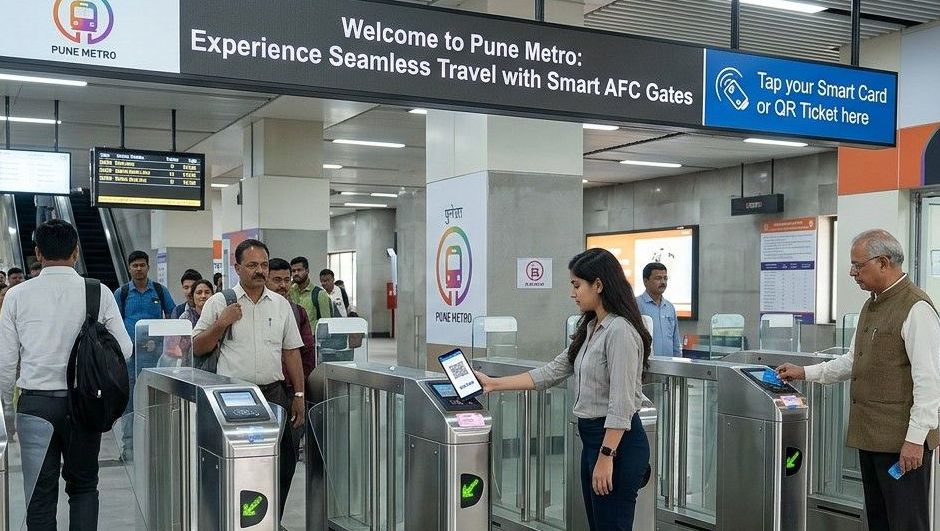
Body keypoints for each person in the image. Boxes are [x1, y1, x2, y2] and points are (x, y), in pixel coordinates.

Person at [475, 248, 652, 531]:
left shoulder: (619, 331)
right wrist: (493, 383)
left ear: (598, 284)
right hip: (594, 440)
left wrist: (606, 456)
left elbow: (621, 402)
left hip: (617, 444)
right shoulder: (592, 327)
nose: (573, 293)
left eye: (576, 285)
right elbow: (551, 372)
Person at [777, 229, 940, 531]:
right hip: (872, 438)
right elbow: (854, 361)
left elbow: (929, 382)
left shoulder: (916, 308)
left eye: (858, 265)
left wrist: (915, 441)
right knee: (879, 521)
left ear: (883, 263)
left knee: (906, 523)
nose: (853, 273)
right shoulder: (872, 304)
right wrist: (806, 372)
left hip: (901, 444)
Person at [0, 219, 132, 530]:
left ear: (38, 253)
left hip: (35, 405)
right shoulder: (98, 292)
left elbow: (5, 362)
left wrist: (7, 410)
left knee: (39, 495)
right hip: (84, 404)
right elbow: (124, 349)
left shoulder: (16, 295)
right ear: (76, 252)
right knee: (84, 486)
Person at [193, 239, 305, 525]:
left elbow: (291, 352)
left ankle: (271, 522)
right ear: (237, 267)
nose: (260, 270)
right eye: (253, 265)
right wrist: (221, 323)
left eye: (264, 265)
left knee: (282, 464)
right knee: (239, 466)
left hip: (273, 396)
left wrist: (299, 395)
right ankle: (236, 523)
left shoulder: (280, 305)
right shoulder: (220, 302)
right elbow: (197, 346)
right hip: (234, 398)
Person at [115, 250, 176, 462]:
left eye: (142, 265)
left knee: (156, 401)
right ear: (129, 268)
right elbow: (113, 321)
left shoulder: (159, 291)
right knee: (130, 403)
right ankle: (129, 447)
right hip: (130, 359)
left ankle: (156, 445)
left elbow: (173, 313)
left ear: (148, 267)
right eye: (135, 266)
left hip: (156, 357)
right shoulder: (122, 293)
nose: (139, 269)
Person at [268, 258, 315, 379]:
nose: (283, 285)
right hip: (265, 380)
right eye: (277, 280)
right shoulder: (254, 310)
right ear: (265, 280)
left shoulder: (298, 312)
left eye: (287, 280)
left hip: (290, 381)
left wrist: (301, 384)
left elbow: (307, 352)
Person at [162, 279, 214, 366]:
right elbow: (173, 349)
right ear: (192, 297)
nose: (203, 296)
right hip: (189, 365)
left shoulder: (218, 316)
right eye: (199, 293)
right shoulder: (185, 319)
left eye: (207, 292)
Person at [636, 262, 681, 356]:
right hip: (647, 363)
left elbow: (676, 340)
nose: (663, 282)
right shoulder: (636, 305)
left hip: (669, 363)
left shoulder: (669, 307)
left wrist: (678, 361)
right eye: (658, 278)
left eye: (665, 278)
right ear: (645, 281)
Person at [289, 257, 332, 329]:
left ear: (307, 271)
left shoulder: (319, 293)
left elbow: (326, 323)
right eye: (293, 271)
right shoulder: (290, 292)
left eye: (299, 270)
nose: (296, 273)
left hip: (312, 335)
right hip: (294, 334)